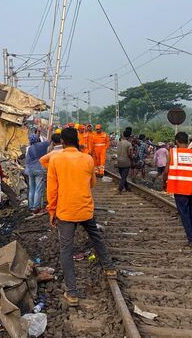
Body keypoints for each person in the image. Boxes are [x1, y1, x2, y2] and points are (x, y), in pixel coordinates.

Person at [46, 127, 115, 306]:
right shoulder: (88, 158)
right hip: (85, 208)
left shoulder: (56, 159)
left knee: (66, 250)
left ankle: (72, 293)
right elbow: (92, 182)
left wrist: (51, 211)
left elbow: (52, 190)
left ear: (62, 142)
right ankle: (109, 268)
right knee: (96, 237)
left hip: (65, 211)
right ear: (77, 140)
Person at [163, 132, 192, 247]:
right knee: (190, 212)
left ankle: (191, 238)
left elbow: (166, 171)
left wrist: (164, 182)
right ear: (187, 141)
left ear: (177, 141)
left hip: (179, 187)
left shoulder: (172, 152)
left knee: (184, 214)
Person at [25, 136, 50, 214]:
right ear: (38, 139)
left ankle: (31, 206)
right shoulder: (41, 145)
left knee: (32, 189)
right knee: (38, 189)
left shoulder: (29, 148)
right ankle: (36, 207)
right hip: (39, 169)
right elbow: (49, 140)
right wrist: (50, 130)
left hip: (30, 170)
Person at [116, 128, 133, 193]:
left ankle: (127, 188)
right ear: (129, 136)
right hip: (126, 162)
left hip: (119, 161)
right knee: (123, 177)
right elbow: (130, 154)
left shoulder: (119, 142)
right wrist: (132, 160)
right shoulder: (129, 144)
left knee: (123, 176)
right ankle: (119, 189)